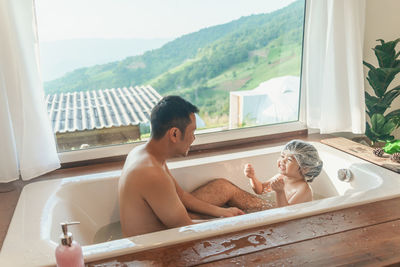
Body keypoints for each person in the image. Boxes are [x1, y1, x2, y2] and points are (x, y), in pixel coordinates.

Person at [119, 95, 268, 237]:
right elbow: (185, 229)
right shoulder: (151, 173)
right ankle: (274, 213)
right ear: (174, 134)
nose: (194, 138)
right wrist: (230, 224)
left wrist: (224, 212)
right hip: (154, 251)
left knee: (222, 187)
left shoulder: (147, 154)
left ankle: (273, 211)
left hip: (166, 226)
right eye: (193, 132)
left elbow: (182, 196)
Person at [244, 140, 323, 208]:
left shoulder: (303, 189)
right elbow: (261, 190)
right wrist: (252, 177)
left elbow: (287, 214)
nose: (282, 161)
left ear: (305, 168)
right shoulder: (281, 177)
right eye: (282, 156)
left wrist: (280, 192)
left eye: (289, 159)